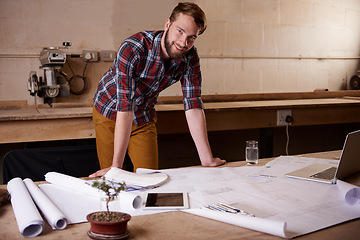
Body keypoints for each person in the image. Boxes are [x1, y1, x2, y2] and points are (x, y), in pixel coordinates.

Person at [90, 2, 225, 178]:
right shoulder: (132, 48)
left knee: (150, 181)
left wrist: (206, 158)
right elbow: (125, 107)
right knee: (114, 179)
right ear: (167, 24)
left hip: (143, 115)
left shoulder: (190, 57)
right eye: (180, 31)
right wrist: (116, 166)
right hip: (109, 111)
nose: (184, 42)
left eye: (192, 37)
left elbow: (193, 105)